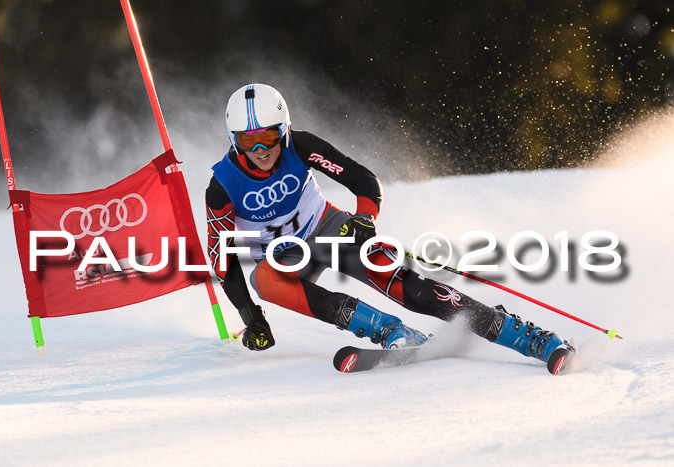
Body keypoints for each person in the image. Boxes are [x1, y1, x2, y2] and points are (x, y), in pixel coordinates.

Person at [205, 83, 574, 374]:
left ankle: (530, 338)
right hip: (282, 257)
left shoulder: (300, 146)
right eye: (246, 141)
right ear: (233, 140)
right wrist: (250, 316)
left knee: (407, 287)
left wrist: (363, 219)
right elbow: (221, 258)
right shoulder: (222, 187)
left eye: (268, 137)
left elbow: (363, 179)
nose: (259, 149)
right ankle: (390, 330)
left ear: (283, 130)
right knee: (265, 281)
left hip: (328, 228)